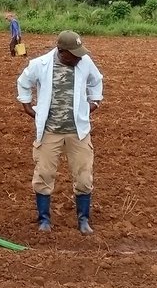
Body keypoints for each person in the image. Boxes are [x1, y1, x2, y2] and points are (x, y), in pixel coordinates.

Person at [16, 30, 103, 234]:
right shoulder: (41, 64)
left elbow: (96, 80)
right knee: (44, 174)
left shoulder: (84, 61)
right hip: (50, 132)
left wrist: (95, 103)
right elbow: (24, 82)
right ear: (62, 52)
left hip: (78, 132)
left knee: (84, 177)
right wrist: (27, 107)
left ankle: (83, 220)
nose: (79, 57)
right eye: (74, 54)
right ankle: (44, 220)